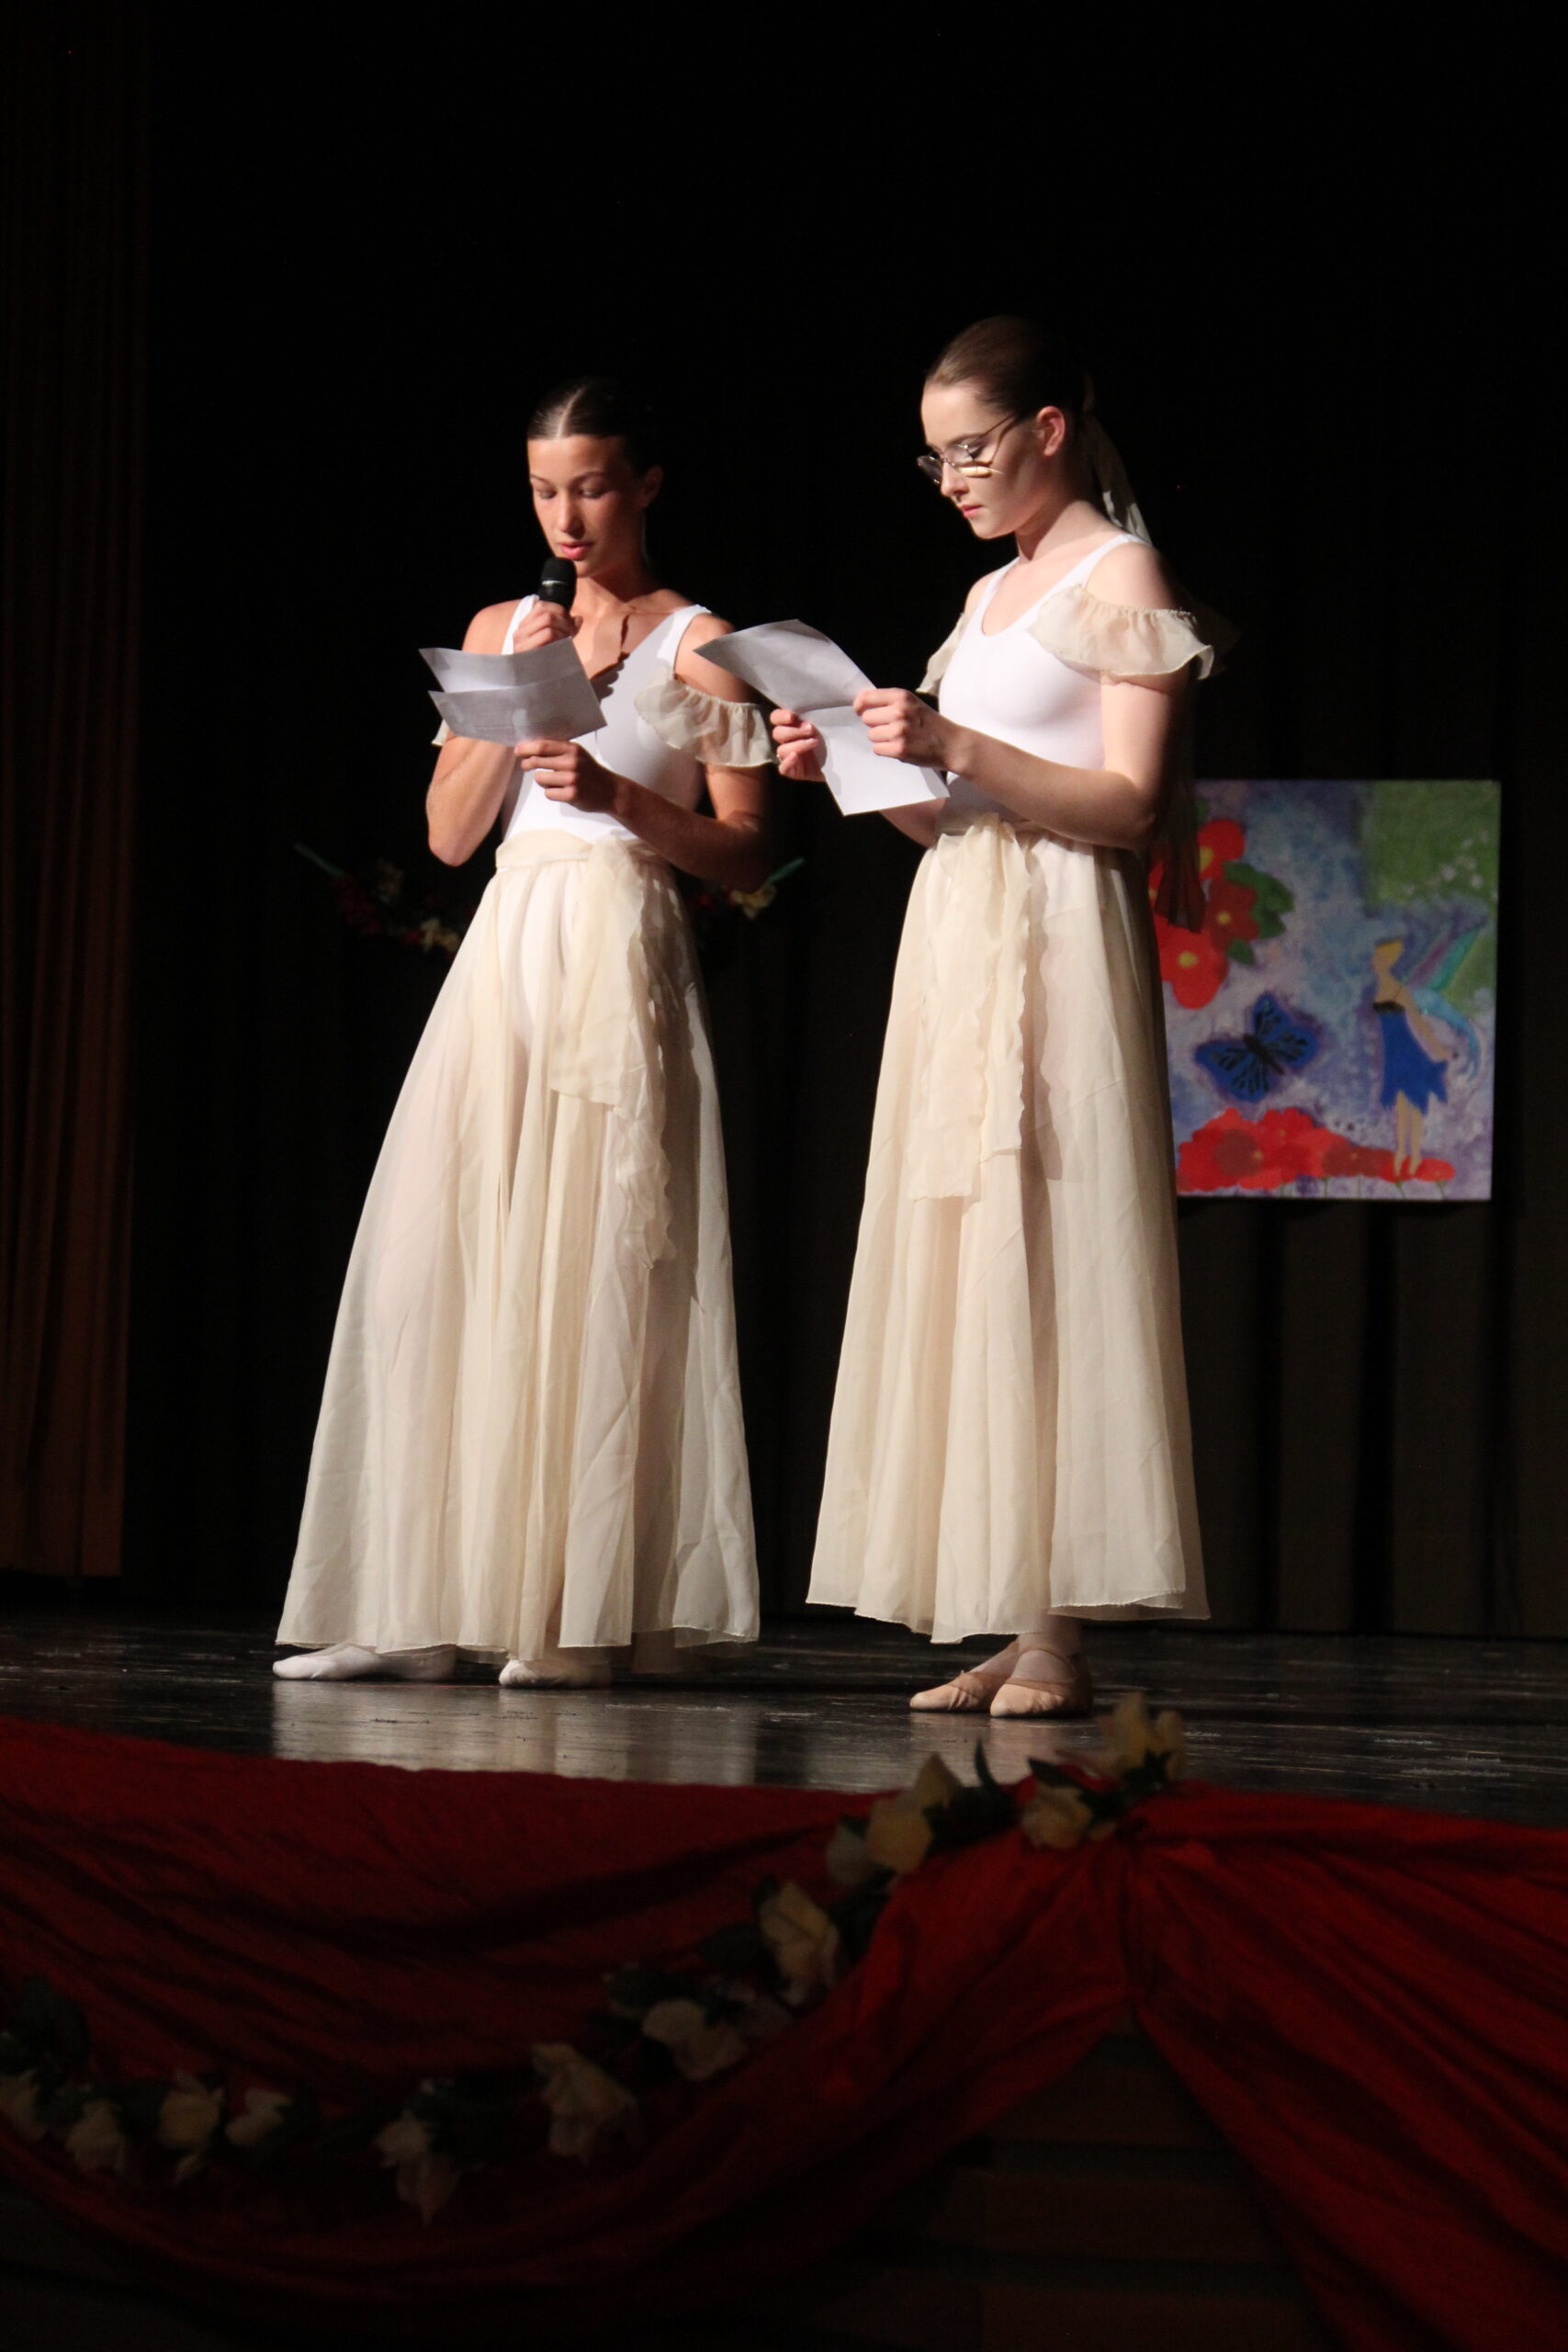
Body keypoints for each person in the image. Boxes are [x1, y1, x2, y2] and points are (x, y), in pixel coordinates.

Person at [275, 376, 772, 1686]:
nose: (568, 516)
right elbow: (449, 836)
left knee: (595, 1265)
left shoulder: (701, 642)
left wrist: (619, 795)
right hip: (509, 949)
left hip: (619, 942)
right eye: (547, 489)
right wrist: (523, 690)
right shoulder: (504, 627)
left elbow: (745, 847)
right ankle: (418, 1602)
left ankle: (572, 1612)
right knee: (442, 1252)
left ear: (644, 485)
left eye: (592, 486)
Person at [773, 318, 1218, 1718]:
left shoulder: (1118, 572)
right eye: (936, 459)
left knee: (1057, 1246)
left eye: (971, 449)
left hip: (1062, 934)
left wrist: (955, 739)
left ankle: (1063, 1637)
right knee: (978, 1255)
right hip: (963, 930)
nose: (953, 478)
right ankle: (1023, 1619)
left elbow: (1128, 804)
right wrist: (856, 768)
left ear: (1049, 430)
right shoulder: (984, 597)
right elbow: (953, 817)